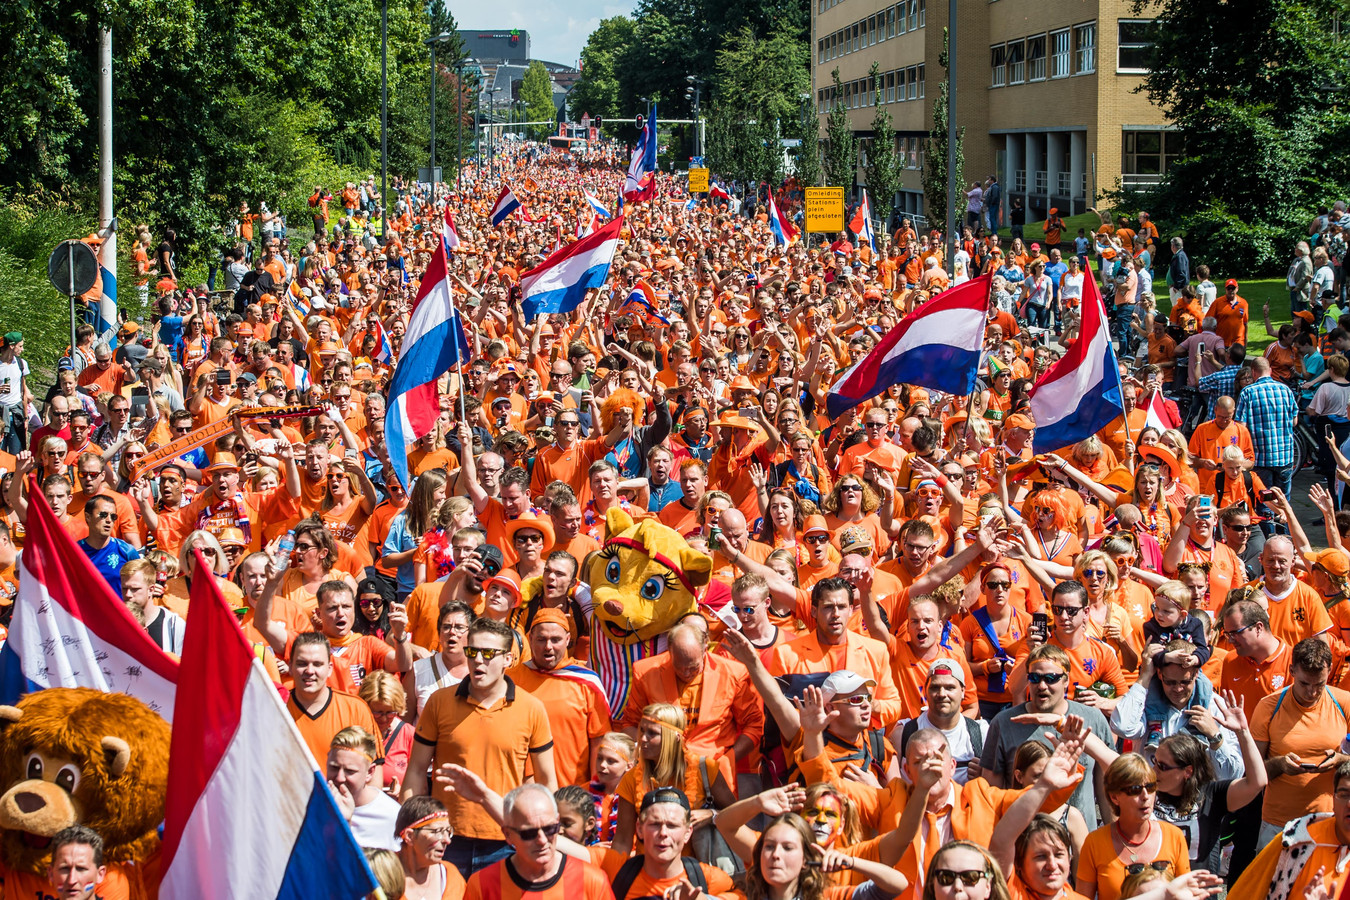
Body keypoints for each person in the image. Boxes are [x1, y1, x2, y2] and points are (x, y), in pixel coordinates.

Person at [404, 617, 556, 877]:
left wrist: (549, 836)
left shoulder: (532, 708)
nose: (478, 660)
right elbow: (416, 770)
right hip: (446, 839)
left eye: (488, 653)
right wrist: (411, 823)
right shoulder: (439, 702)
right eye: (472, 651)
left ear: (508, 659)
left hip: (507, 839)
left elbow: (546, 781)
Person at [1250, 637, 1350, 848]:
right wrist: (1280, 765)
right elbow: (1252, 773)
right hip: (1278, 825)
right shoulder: (1268, 707)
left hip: (1330, 822)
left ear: (1330, 670)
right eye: (1304, 683)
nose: (1311, 692)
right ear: (1292, 671)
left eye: (1320, 684)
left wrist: (1341, 760)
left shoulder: (1344, 704)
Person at [462, 784, 613, 900]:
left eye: (549, 829)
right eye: (529, 833)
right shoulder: (482, 884)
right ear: (508, 834)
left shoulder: (592, 881)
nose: (541, 840)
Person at [1075, 754, 1192, 900]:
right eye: (1135, 789)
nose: (1145, 796)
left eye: (1150, 787)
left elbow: (1185, 894)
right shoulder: (1094, 842)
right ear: (1114, 797)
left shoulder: (1174, 836)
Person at [327, 725, 401, 850]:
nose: (339, 778)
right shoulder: (313, 804)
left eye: (350, 771)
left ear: (370, 772)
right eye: (334, 767)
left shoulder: (392, 816)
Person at [395, 796, 466, 900]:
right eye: (438, 832)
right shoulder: (383, 876)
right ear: (409, 836)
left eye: (448, 832)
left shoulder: (451, 876)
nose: (447, 840)